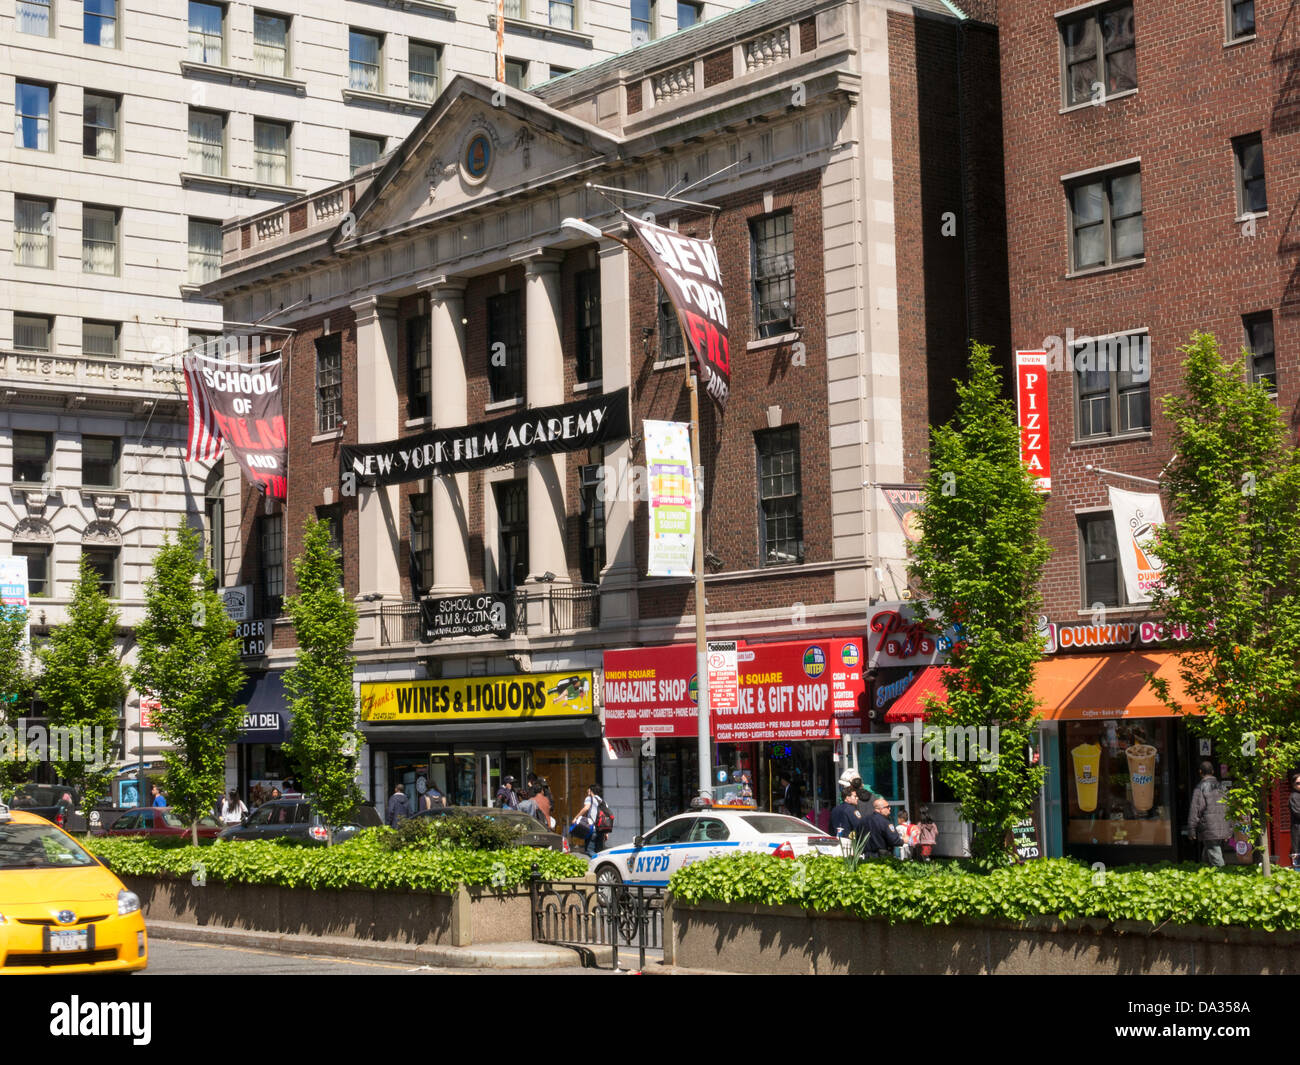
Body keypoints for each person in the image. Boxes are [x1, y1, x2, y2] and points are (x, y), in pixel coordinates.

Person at [1187, 761, 1231, 867]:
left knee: (1216, 857)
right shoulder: (1222, 787)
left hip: (1209, 827)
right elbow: (1229, 809)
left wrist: (1191, 829)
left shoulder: (1200, 787)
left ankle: (1223, 878)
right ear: (1213, 771)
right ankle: (1206, 874)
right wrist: (1230, 829)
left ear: (1200, 772)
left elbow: (1195, 809)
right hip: (1222, 825)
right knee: (1208, 854)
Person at [572, 784, 609, 855]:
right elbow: (606, 816)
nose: (587, 791)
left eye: (588, 789)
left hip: (593, 829)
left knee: (589, 850)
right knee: (599, 852)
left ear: (591, 790)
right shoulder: (603, 802)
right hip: (601, 830)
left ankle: (597, 862)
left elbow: (586, 808)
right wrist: (606, 832)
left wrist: (576, 818)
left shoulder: (589, 798)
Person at [1290, 773, 1300, 872]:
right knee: (1297, 855)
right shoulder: (1294, 797)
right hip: (1298, 831)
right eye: (1298, 783)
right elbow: (1298, 812)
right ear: (1293, 785)